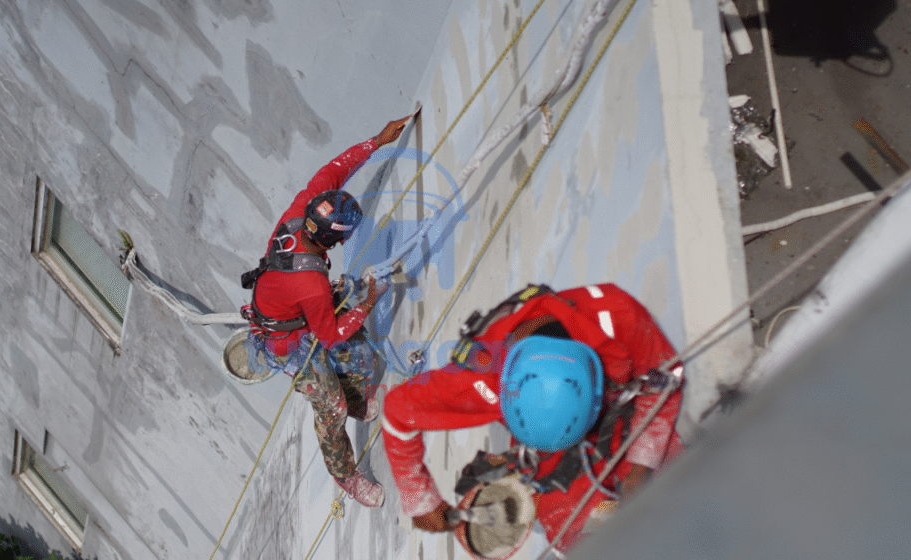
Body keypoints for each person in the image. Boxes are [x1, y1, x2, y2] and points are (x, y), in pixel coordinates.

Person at [382, 283, 684, 554]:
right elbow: (397, 413)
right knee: (584, 542)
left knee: (686, 493)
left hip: (626, 418)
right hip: (551, 458)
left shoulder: (615, 315)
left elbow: (666, 376)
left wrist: (643, 463)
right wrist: (420, 498)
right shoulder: (477, 380)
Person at [241, 116, 410, 508]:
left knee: (363, 354)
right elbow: (330, 334)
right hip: (286, 342)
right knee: (329, 406)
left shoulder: (302, 211)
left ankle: (354, 399)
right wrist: (367, 302)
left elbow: (334, 170)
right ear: (333, 241)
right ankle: (346, 476)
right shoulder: (311, 284)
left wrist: (376, 141)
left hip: (297, 311)